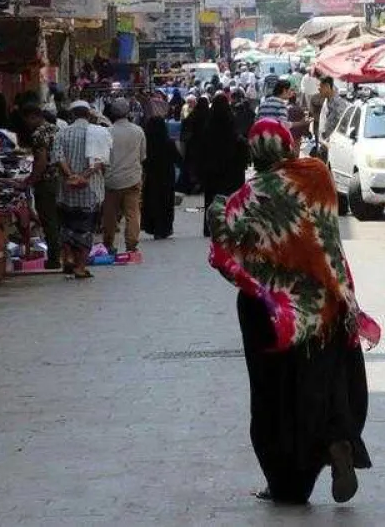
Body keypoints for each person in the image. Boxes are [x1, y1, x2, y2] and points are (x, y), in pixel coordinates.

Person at [208, 119, 371, 505]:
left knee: (275, 395)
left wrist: (218, 206)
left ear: (254, 154)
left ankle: (286, 484)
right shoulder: (317, 176)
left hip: (271, 312)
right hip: (325, 305)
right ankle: (336, 439)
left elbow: (224, 238)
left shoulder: (248, 197)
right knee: (324, 383)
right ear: (288, 148)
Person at [54, 101, 107, 279]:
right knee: (86, 229)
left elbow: (58, 158)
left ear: (72, 115)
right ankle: (80, 267)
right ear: (88, 114)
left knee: (67, 226)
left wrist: (71, 176)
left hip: (67, 191)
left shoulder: (62, 133)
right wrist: (84, 176)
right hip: (90, 192)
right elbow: (100, 161)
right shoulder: (100, 132)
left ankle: (68, 257)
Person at [198, 96, 250, 237]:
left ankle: (209, 227)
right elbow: (241, 144)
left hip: (212, 170)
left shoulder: (208, 126)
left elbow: (202, 149)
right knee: (232, 198)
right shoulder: (231, 123)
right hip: (232, 171)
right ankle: (232, 225)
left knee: (211, 199)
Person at [102, 97, 147, 254]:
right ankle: (131, 244)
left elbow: (103, 157)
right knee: (133, 213)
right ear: (128, 112)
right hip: (132, 178)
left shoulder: (107, 132)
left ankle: (108, 244)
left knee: (110, 214)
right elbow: (142, 156)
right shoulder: (138, 131)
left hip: (111, 180)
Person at [21, 103, 63, 269]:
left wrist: (31, 180)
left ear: (33, 116)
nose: (27, 124)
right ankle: (62, 255)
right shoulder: (55, 129)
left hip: (46, 181)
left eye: (27, 120)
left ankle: (53, 258)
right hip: (59, 178)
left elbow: (41, 160)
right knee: (57, 220)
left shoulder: (38, 134)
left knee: (48, 220)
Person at [141, 115, 180, 240]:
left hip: (152, 177)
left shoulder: (146, 143)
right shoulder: (169, 143)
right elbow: (178, 160)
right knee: (166, 203)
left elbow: (142, 160)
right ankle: (164, 229)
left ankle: (153, 227)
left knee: (152, 202)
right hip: (167, 178)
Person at [315, 76, 350, 159]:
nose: (318, 90)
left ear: (327, 86)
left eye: (320, 87)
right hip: (326, 144)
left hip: (335, 147)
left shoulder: (339, 104)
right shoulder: (327, 101)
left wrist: (330, 140)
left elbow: (344, 125)